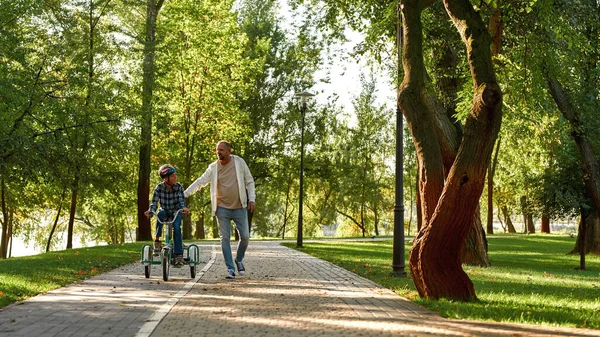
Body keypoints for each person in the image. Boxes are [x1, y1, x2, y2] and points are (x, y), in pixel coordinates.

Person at [185, 141, 255, 279]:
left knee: (245, 237)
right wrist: (184, 193)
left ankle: (239, 260)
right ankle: (230, 269)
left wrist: (251, 199)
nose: (218, 152)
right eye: (217, 150)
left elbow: (249, 181)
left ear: (229, 151)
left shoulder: (239, 163)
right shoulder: (213, 167)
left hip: (240, 206)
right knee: (225, 239)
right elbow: (200, 182)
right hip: (222, 208)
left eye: (221, 150)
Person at [145, 164, 189, 267]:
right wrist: (150, 211)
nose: (175, 177)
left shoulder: (178, 187)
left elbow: (181, 201)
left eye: (175, 175)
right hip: (164, 210)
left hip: (176, 211)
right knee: (160, 214)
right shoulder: (159, 188)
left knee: (177, 228)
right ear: (166, 178)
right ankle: (157, 242)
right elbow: (154, 203)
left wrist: (183, 208)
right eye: (173, 176)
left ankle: (178, 255)